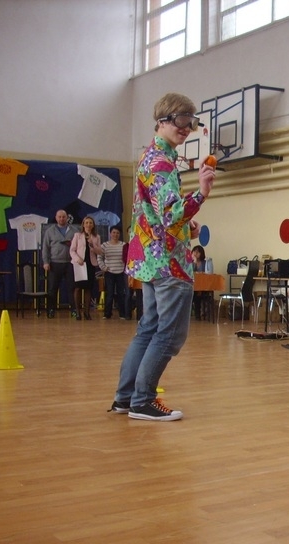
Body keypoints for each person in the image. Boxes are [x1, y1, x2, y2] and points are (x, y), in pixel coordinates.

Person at [109, 92, 215, 421]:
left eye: (191, 121)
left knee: (148, 329)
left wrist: (186, 226)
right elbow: (169, 215)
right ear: (162, 121)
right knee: (170, 334)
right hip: (168, 263)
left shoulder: (150, 156)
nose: (187, 128)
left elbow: (155, 214)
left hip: (152, 258)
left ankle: (126, 398)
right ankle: (142, 400)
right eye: (181, 120)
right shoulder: (161, 163)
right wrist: (201, 194)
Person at [42, 209, 80, 318]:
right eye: (59, 217)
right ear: (56, 218)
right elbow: (45, 248)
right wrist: (46, 262)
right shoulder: (50, 231)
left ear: (67, 218)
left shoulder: (75, 230)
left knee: (72, 288)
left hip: (70, 263)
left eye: (63, 217)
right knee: (52, 288)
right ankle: (51, 310)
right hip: (55, 263)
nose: (62, 219)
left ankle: (74, 310)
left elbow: (79, 246)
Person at [69, 215, 102, 320]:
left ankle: (87, 312)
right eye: (86, 222)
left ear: (93, 225)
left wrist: (92, 245)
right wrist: (77, 259)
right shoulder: (77, 235)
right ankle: (78, 312)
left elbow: (99, 251)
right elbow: (72, 250)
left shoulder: (96, 237)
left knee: (88, 288)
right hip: (79, 264)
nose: (88, 224)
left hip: (90, 264)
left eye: (90, 223)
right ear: (83, 224)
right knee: (78, 288)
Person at [98, 226, 127, 320]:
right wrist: (103, 267)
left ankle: (122, 313)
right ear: (110, 233)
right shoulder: (104, 245)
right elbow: (99, 257)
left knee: (120, 293)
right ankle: (107, 313)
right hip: (109, 272)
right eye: (114, 232)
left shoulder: (123, 245)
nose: (115, 235)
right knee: (109, 293)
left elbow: (127, 258)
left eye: (117, 233)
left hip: (121, 272)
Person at [191, 245, 207, 320]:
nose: (195, 253)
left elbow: (207, 272)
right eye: (194, 251)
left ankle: (198, 314)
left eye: (198, 252)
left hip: (203, 286)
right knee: (194, 293)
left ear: (201, 253)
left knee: (197, 294)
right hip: (192, 286)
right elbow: (191, 272)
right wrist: (194, 261)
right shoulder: (190, 263)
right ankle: (196, 313)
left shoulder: (205, 263)